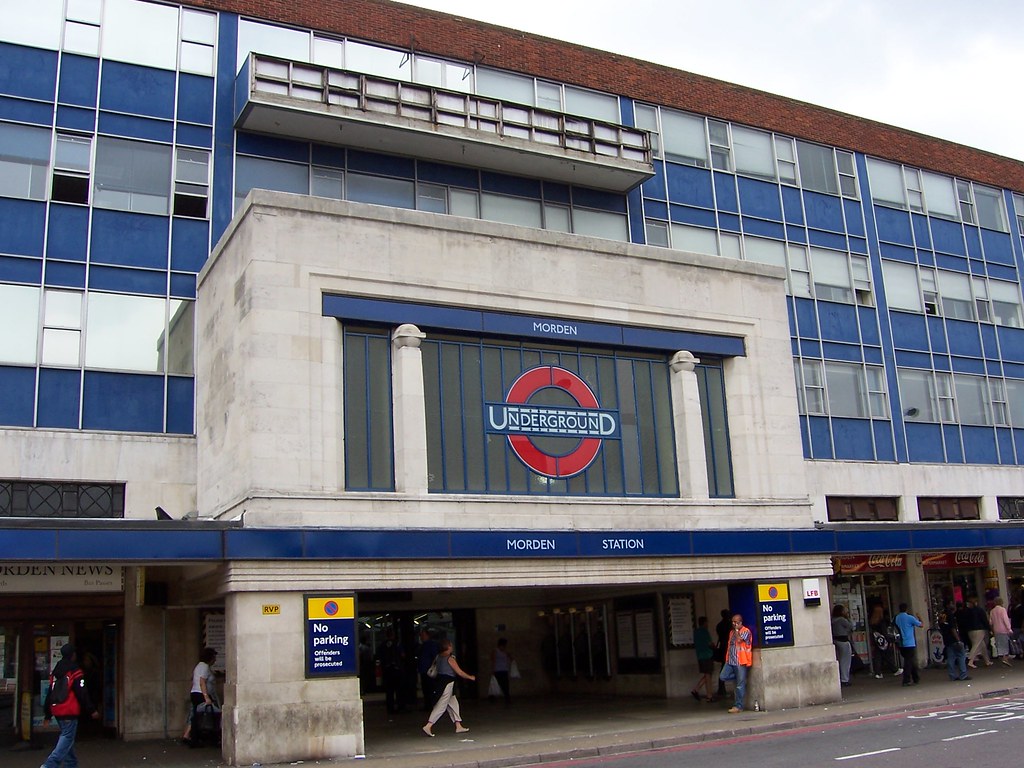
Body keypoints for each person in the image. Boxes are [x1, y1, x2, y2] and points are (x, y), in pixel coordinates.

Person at [42, 643, 100, 768]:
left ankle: (71, 765)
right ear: (72, 655)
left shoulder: (56, 671)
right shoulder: (75, 670)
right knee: (67, 737)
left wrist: (47, 714)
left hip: (57, 708)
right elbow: (82, 692)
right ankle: (49, 765)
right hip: (69, 708)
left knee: (68, 738)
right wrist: (91, 709)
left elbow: (50, 692)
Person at [422, 639, 476, 737]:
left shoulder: (438, 657)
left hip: (440, 681)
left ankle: (458, 725)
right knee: (441, 705)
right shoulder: (450, 659)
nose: (452, 646)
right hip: (448, 683)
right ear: (448, 647)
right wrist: (470, 677)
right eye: (450, 645)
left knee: (453, 703)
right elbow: (459, 672)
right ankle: (429, 725)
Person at [182, 647, 218, 746]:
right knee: (204, 716)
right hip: (200, 694)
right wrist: (206, 697)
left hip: (195, 692)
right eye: (214, 657)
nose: (215, 659)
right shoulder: (204, 667)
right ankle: (200, 738)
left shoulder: (199, 666)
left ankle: (193, 738)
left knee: (196, 715)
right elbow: (202, 682)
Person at [718, 614, 753, 713]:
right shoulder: (731, 632)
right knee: (723, 676)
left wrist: (737, 630)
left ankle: (738, 706)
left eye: (736, 622)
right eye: (733, 622)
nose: (734, 624)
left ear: (740, 622)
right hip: (730, 660)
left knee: (740, 685)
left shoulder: (746, 631)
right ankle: (740, 677)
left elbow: (739, 640)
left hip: (740, 661)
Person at [376, 629, 405, 715]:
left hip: (387, 670)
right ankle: (400, 707)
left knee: (389, 691)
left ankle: (390, 708)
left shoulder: (382, 645)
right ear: (393, 635)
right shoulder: (397, 644)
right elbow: (403, 655)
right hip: (397, 670)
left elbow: (379, 656)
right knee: (399, 690)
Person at [893, 603, 922, 686]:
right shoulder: (910, 618)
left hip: (901, 643)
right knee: (908, 662)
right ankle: (906, 679)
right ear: (906, 609)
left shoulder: (896, 618)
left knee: (910, 660)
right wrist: (920, 617)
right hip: (910, 643)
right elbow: (921, 625)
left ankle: (916, 677)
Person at [937, 608, 969, 681]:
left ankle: (952, 675)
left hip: (947, 640)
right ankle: (963, 675)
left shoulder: (941, 618)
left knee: (951, 658)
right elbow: (953, 629)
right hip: (954, 640)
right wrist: (958, 640)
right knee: (961, 656)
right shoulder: (950, 616)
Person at [690, 616, 715, 703]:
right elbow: (709, 643)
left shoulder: (696, 632)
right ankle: (709, 695)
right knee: (708, 675)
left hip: (700, 655)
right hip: (707, 655)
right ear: (704, 623)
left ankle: (696, 690)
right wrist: (714, 646)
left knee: (707, 674)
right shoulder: (705, 631)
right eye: (707, 622)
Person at [963, 597, 993, 668]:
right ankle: (971, 660)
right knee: (977, 645)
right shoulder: (980, 610)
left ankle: (987, 661)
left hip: (970, 630)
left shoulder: (966, 611)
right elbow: (984, 620)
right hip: (979, 629)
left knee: (981, 645)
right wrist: (989, 629)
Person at [416, 627, 440, 711]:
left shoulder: (431, 645)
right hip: (424, 670)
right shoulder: (422, 646)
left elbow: (435, 657)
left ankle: (431, 704)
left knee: (430, 688)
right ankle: (428, 705)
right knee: (426, 689)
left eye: (423, 635)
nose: (421, 637)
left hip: (429, 670)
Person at [831, 604, 854, 687]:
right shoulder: (842, 620)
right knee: (846, 661)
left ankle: (841, 678)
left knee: (840, 659)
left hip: (836, 640)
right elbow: (851, 626)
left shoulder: (833, 620)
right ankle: (845, 679)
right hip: (843, 641)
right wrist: (848, 617)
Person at [989, 597, 1013, 667]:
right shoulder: (1002, 610)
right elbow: (1005, 620)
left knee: (999, 645)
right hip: (1003, 630)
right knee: (1005, 644)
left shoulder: (992, 611)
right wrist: (1009, 629)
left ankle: (1002, 659)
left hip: (996, 630)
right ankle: (1005, 659)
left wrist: (992, 630)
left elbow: (990, 622)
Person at [713, 609, 732, 698]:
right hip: (727, 647)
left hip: (723, 647)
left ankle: (721, 688)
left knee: (723, 667)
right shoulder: (729, 625)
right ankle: (722, 689)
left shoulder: (719, 625)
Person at [490, 638, 513, 705]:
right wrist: (493, 670)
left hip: (504, 670)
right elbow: (493, 660)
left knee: (505, 685)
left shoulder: (505, 652)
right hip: (498, 670)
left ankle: (507, 698)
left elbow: (511, 658)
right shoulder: (495, 651)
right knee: (498, 684)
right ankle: (493, 697)